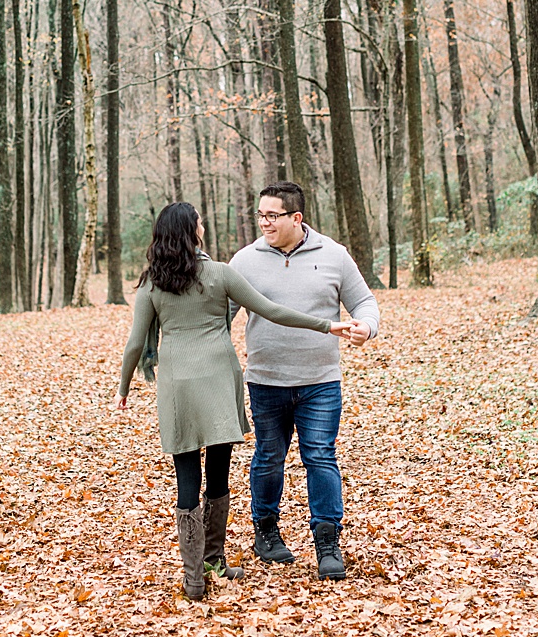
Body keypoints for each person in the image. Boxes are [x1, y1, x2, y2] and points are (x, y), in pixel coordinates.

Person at [116, 202, 361, 600]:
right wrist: (326, 325)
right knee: (218, 471)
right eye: (199, 223)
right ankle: (213, 558)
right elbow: (271, 310)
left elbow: (133, 345)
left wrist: (123, 388)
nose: (203, 227)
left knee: (186, 477)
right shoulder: (220, 274)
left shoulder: (152, 283)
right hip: (218, 379)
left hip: (177, 385)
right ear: (191, 232)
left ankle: (195, 575)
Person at [230, 181, 381, 582]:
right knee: (268, 457)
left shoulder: (334, 255)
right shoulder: (243, 262)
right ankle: (266, 532)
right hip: (265, 379)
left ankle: (327, 542)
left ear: (297, 218)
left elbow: (364, 302)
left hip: (320, 380)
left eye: (272, 215)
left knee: (320, 456)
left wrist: (367, 326)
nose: (264, 222)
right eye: (260, 214)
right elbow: (218, 315)